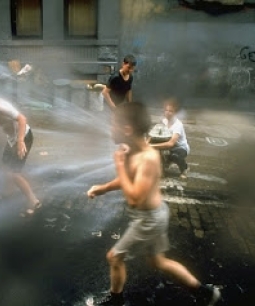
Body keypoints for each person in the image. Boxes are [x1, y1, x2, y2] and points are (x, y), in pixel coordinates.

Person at [85, 102, 220, 305]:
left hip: (148, 220)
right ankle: (205, 293)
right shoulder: (131, 150)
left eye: (114, 124)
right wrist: (103, 188)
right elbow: (129, 180)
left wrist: (119, 165)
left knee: (114, 257)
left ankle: (115, 301)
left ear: (127, 129)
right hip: (153, 214)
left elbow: (135, 198)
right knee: (158, 261)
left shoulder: (148, 158)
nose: (110, 128)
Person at [0, 91, 41, 217]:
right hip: (13, 139)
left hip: (23, 138)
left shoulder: (1, 106)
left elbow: (22, 118)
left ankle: (34, 202)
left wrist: (21, 141)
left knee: (14, 173)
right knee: (7, 165)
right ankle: (9, 192)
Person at [148, 98, 191, 179]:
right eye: (166, 110)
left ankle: (185, 168)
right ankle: (163, 168)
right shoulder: (164, 121)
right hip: (169, 146)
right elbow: (154, 132)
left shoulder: (178, 125)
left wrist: (152, 146)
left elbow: (171, 143)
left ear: (175, 113)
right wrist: (147, 143)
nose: (167, 113)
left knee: (174, 155)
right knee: (157, 152)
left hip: (180, 147)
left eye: (170, 111)